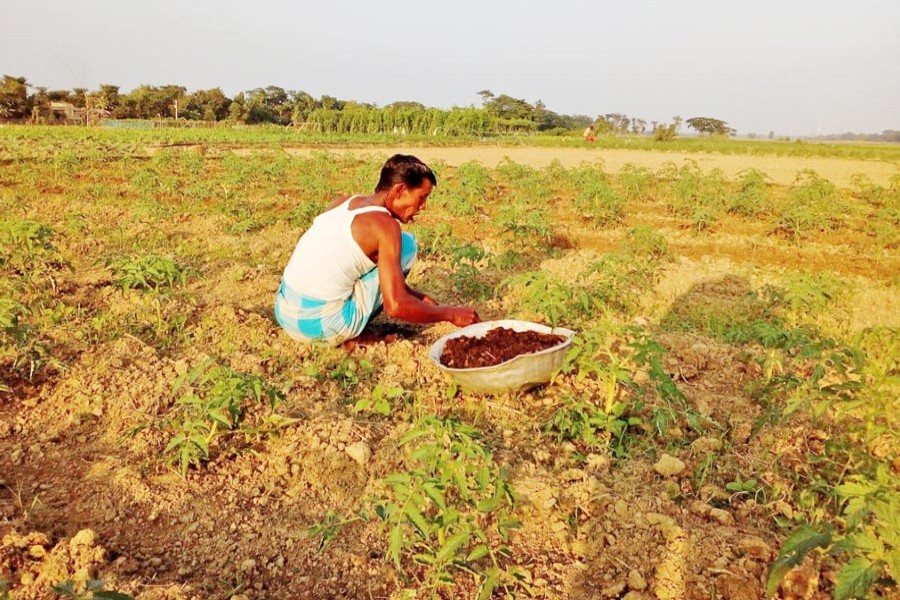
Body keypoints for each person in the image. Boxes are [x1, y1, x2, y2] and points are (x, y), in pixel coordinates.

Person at [274, 154, 481, 346]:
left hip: (286, 312)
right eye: (422, 198)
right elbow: (396, 306)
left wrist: (415, 296)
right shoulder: (385, 226)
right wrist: (451, 313)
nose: (423, 207)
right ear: (400, 191)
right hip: (320, 327)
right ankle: (354, 334)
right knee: (407, 246)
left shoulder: (345, 202)